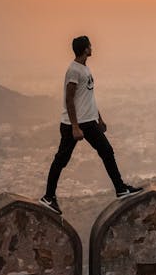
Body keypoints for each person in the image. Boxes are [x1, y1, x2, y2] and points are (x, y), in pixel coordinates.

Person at [40, 36, 143, 215]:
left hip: (89, 122)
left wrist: (99, 118)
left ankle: (120, 188)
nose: (92, 47)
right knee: (61, 159)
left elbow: (88, 98)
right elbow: (69, 99)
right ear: (85, 49)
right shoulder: (74, 70)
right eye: (90, 45)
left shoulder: (84, 68)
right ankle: (48, 197)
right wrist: (74, 126)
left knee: (107, 151)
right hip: (75, 124)